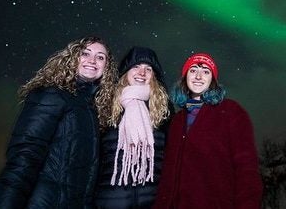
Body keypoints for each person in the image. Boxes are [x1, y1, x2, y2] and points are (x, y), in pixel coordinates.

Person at [0, 36, 118, 208]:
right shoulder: (52, 94)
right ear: (72, 58)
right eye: (85, 53)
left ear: (106, 67)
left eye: (100, 57)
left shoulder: (93, 109)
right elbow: (25, 156)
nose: (92, 61)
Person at [153, 52, 263, 209]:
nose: (199, 76)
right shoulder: (176, 121)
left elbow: (247, 169)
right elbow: (167, 176)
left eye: (205, 71)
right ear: (184, 78)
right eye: (193, 70)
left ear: (213, 80)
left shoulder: (231, 112)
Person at [94, 46, 172, 208]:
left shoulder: (164, 109)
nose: (141, 73)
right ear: (126, 72)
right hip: (110, 199)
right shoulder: (105, 104)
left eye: (148, 69)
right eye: (136, 66)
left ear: (154, 76)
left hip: (151, 199)